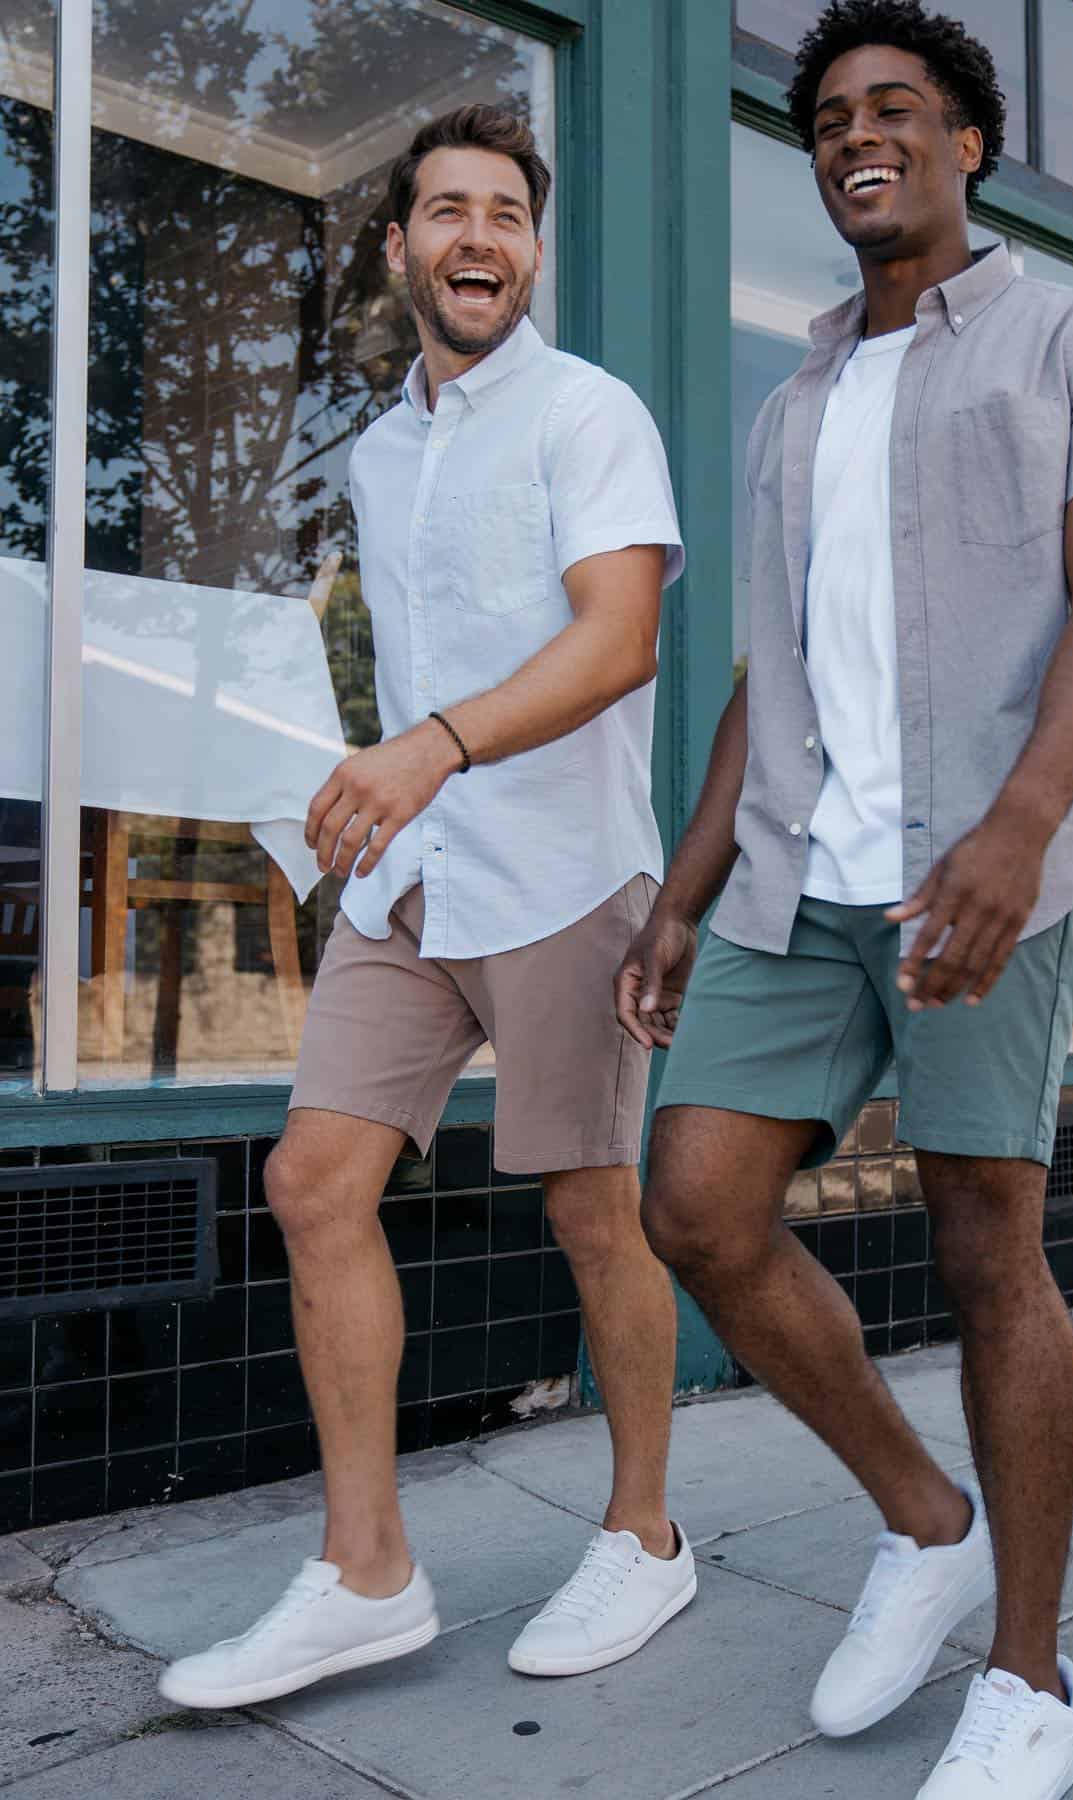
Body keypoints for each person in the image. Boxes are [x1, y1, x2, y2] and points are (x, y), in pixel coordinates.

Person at [617, 5, 1073, 1796]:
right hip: (805, 874)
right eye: (833, 120)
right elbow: (760, 677)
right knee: (697, 1210)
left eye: (899, 109)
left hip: (984, 874)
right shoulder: (794, 406)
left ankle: (1032, 1675)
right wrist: (684, 890)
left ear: (967, 145)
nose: (860, 136)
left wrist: (1024, 827)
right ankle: (923, 1520)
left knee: (984, 1250)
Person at [161, 103, 694, 1710]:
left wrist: (431, 750)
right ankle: (369, 1570)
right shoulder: (382, 451)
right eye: (447, 211)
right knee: (314, 1180)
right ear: (398, 248)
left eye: (507, 215)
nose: (478, 238)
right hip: (410, 883)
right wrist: (359, 781)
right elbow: (407, 669)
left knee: (594, 1212)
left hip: (559, 875)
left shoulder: (591, 415)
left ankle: (647, 1539)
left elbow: (622, 642)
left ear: (534, 247)